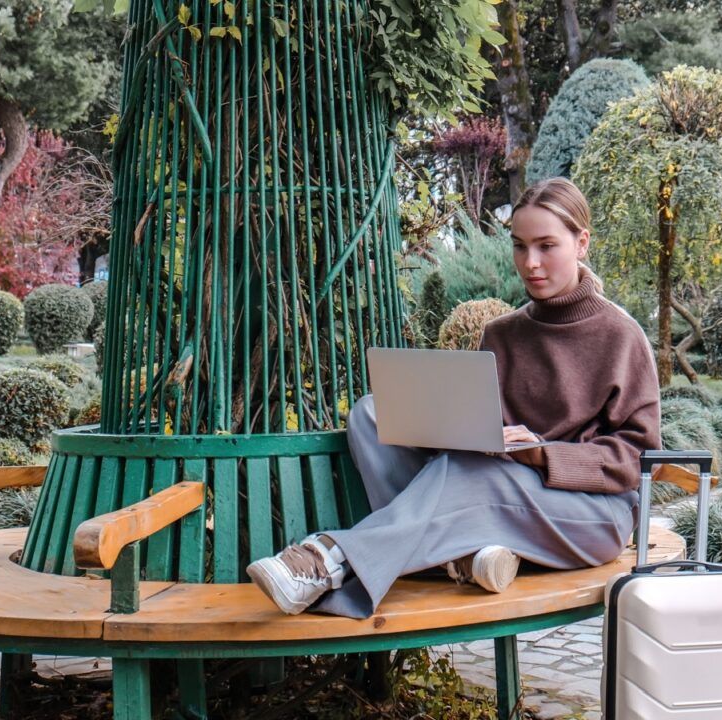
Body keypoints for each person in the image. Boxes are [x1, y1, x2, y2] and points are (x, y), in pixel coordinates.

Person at [246, 177, 664, 618]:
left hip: (589, 516)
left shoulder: (620, 335)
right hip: (499, 489)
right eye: (519, 246)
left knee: (476, 472)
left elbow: (639, 458)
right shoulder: (502, 333)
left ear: (581, 243)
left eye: (546, 246)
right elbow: (484, 429)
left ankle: (331, 559)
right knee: (372, 414)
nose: (531, 262)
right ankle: (458, 557)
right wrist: (446, 429)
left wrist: (544, 456)